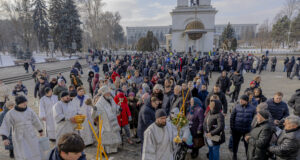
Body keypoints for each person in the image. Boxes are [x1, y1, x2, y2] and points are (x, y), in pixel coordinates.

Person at [0, 95, 43, 160]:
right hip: (18, 135)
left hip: (30, 133)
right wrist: (5, 138)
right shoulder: (11, 113)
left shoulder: (30, 110)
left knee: (34, 150)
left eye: (25, 102)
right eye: (23, 102)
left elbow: (36, 120)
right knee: (22, 152)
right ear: (18, 104)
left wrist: (40, 130)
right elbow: (5, 124)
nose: (25, 103)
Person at [93, 86, 121, 154]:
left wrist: (118, 108)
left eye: (109, 93)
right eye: (107, 93)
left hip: (113, 121)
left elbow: (115, 106)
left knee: (114, 134)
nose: (109, 94)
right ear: (104, 94)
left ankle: (114, 149)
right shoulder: (99, 103)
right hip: (105, 122)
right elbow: (94, 112)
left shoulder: (111, 99)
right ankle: (105, 150)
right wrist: (94, 110)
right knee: (106, 136)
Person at [230, 95, 256, 160]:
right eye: (240, 99)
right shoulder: (236, 107)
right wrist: (232, 127)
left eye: (242, 100)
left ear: (246, 101)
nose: (240, 101)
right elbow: (232, 118)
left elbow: (254, 120)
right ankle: (234, 155)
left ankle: (248, 157)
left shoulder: (253, 108)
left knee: (247, 145)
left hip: (247, 130)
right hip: (236, 129)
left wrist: (251, 130)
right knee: (235, 143)